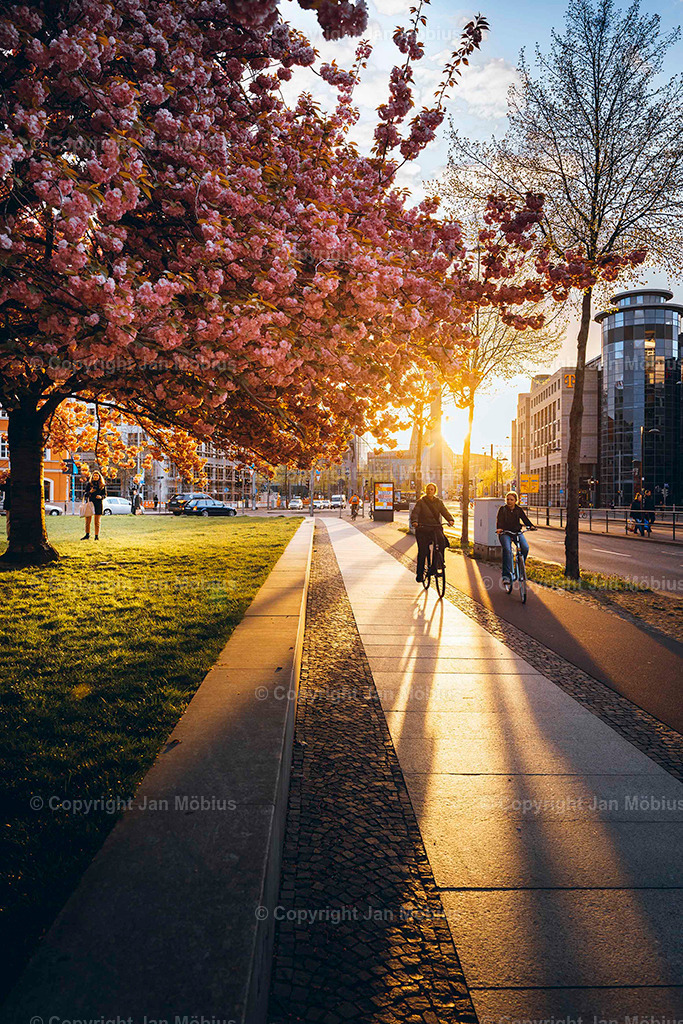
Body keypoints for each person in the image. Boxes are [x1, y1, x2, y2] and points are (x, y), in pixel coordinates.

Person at [410, 483, 455, 583]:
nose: (430, 491)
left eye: (432, 489)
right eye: (428, 489)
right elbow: (415, 512)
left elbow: (444, 511)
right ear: (426, 491)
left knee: (441, 543)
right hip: (423, 528)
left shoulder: (438, 502)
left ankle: (437, 564)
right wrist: (415, 521)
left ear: (435, 491)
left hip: (435, 527)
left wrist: (450, 519)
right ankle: (420, 574)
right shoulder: (421, 502)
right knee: (423, 551)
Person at [496, 491, 536, 583]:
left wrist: (530, 526)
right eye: (508, 499)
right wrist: (499, 528)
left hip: (516, 532)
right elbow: (499, 520)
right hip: (505, 533)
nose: (509, 501)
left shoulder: (518, 509)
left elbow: (525, 519)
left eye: (511, 500)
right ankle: (506, 576)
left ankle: (519, 567)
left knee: (525, 548)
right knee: (507, 550)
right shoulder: (502, 509)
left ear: (515, 501)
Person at [83, 470, 106, 540]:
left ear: (99, 477)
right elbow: (85, 494)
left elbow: (105, 495)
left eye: (97, 476)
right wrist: (90, 492)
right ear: (92, 477)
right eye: (94, 476)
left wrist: (101, 497)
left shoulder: (102, 485)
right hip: (90, 503)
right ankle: (87, 535)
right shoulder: (89, 484)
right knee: (87, 521)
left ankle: (96, 536)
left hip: (98, 504)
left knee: (97, 522)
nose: (95, 477)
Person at [1, 472, 10, 538]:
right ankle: (9, 535)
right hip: (9, 504)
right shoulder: (8, 481)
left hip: (9, 503)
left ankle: (10, 535)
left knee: (9, 521)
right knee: (9, 521)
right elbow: (2, 487)